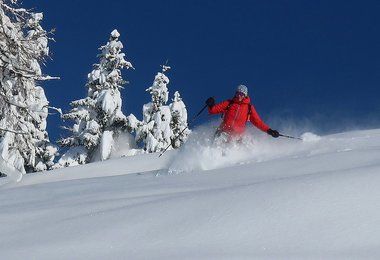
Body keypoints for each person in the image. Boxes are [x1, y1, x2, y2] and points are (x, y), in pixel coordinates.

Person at [206, 84, 279, 142]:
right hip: (222, 132)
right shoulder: (229, 103)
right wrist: (211, 104)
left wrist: (269, 130)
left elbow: (258, 122)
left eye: (241, 94)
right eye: (237, 93)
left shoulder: (249, 108)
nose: (238, 95)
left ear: (245, 95)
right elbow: (213, 110)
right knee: (216, 146)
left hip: (236, 137)